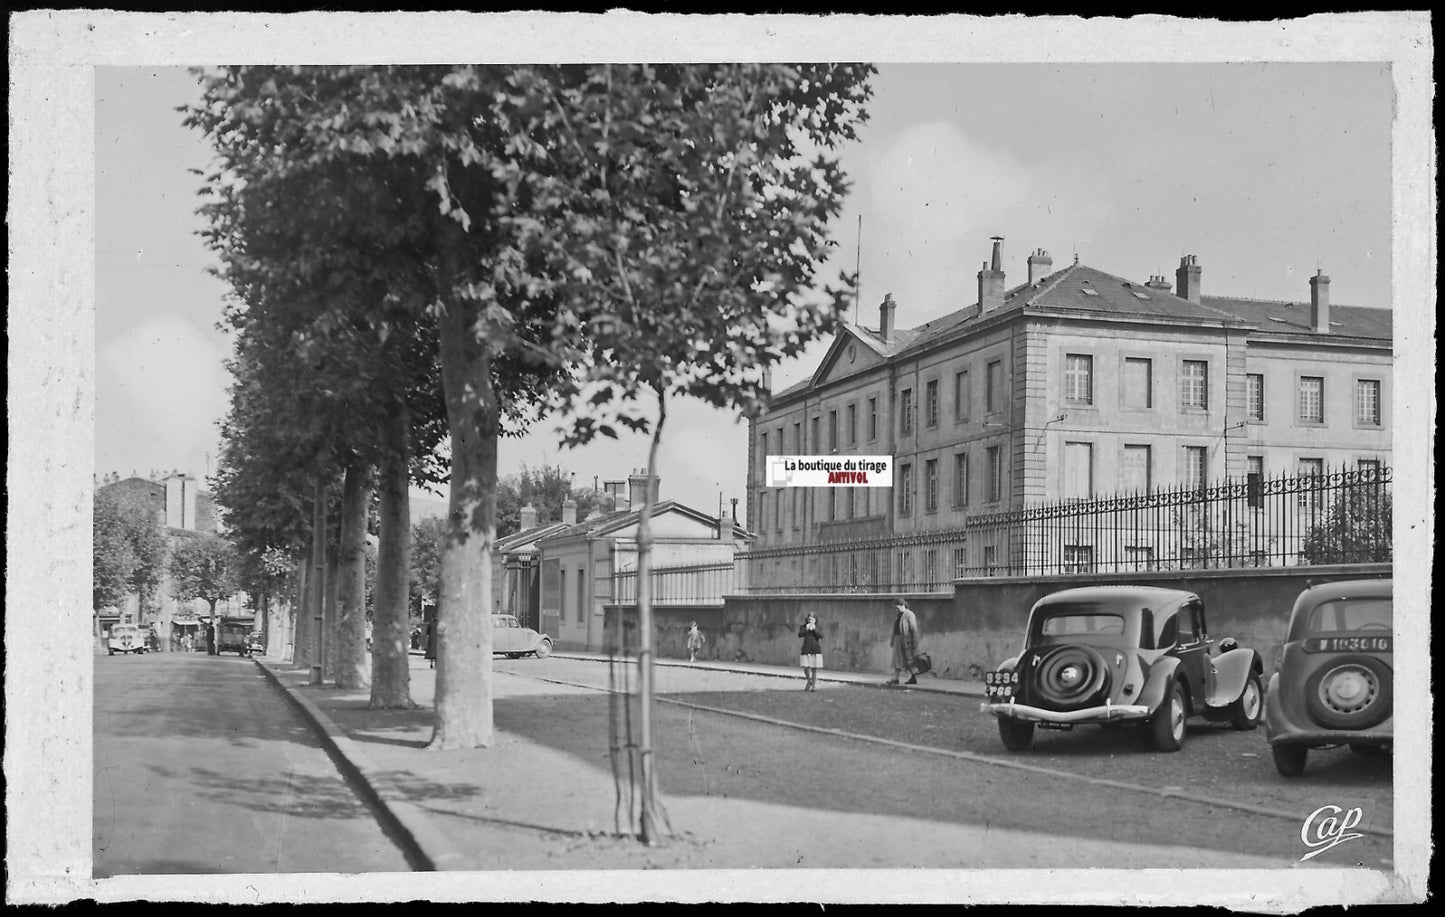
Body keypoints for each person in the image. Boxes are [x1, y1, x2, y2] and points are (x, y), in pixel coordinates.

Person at [887, 597, 920, 686]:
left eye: (897, 607)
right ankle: (896, 678)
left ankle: (912, 677)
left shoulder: (909, 614)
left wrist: (915, 642)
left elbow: (913, 629)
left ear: (902, 605)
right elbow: (895, 629)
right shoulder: (899, 615)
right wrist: (892, 640)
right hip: (898, 640)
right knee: (898, 660)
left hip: (906, 641)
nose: (896, 609)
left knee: (909, 660)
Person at [797, 613, 823, 691]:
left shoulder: (818, 627)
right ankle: (809, 681)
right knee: (805, 667)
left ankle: (814, 686)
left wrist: (814, 629)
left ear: (815, 620)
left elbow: (821, 636)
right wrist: (807, 629)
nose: (810, 620)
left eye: (812, 619)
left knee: (814, 668)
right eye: (809, 619)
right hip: (806, 649)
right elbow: (800, 635)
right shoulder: (803, 627)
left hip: (815, 649)